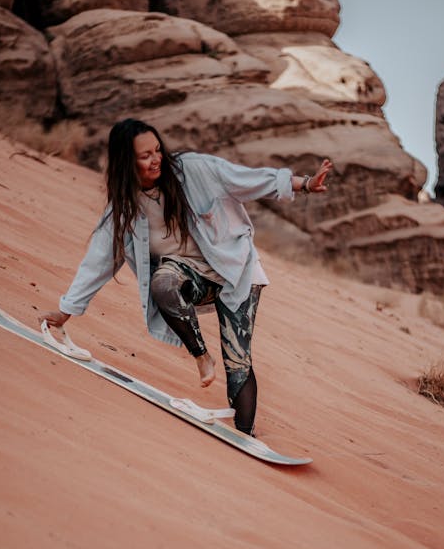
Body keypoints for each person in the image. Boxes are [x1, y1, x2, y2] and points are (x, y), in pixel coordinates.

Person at [40, 118, 332, 436]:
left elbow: (245, 179)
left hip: (237, 271)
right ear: (127, 162)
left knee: (238, 360)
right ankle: (201, 356)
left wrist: (303, 184)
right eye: (145, 155)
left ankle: (245, 436)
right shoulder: (124, 210)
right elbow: (99, 260)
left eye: (157, 150)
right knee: (162, 283)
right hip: (190, 277)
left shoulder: (193, 170)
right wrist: (66, 311)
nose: (156, 159)